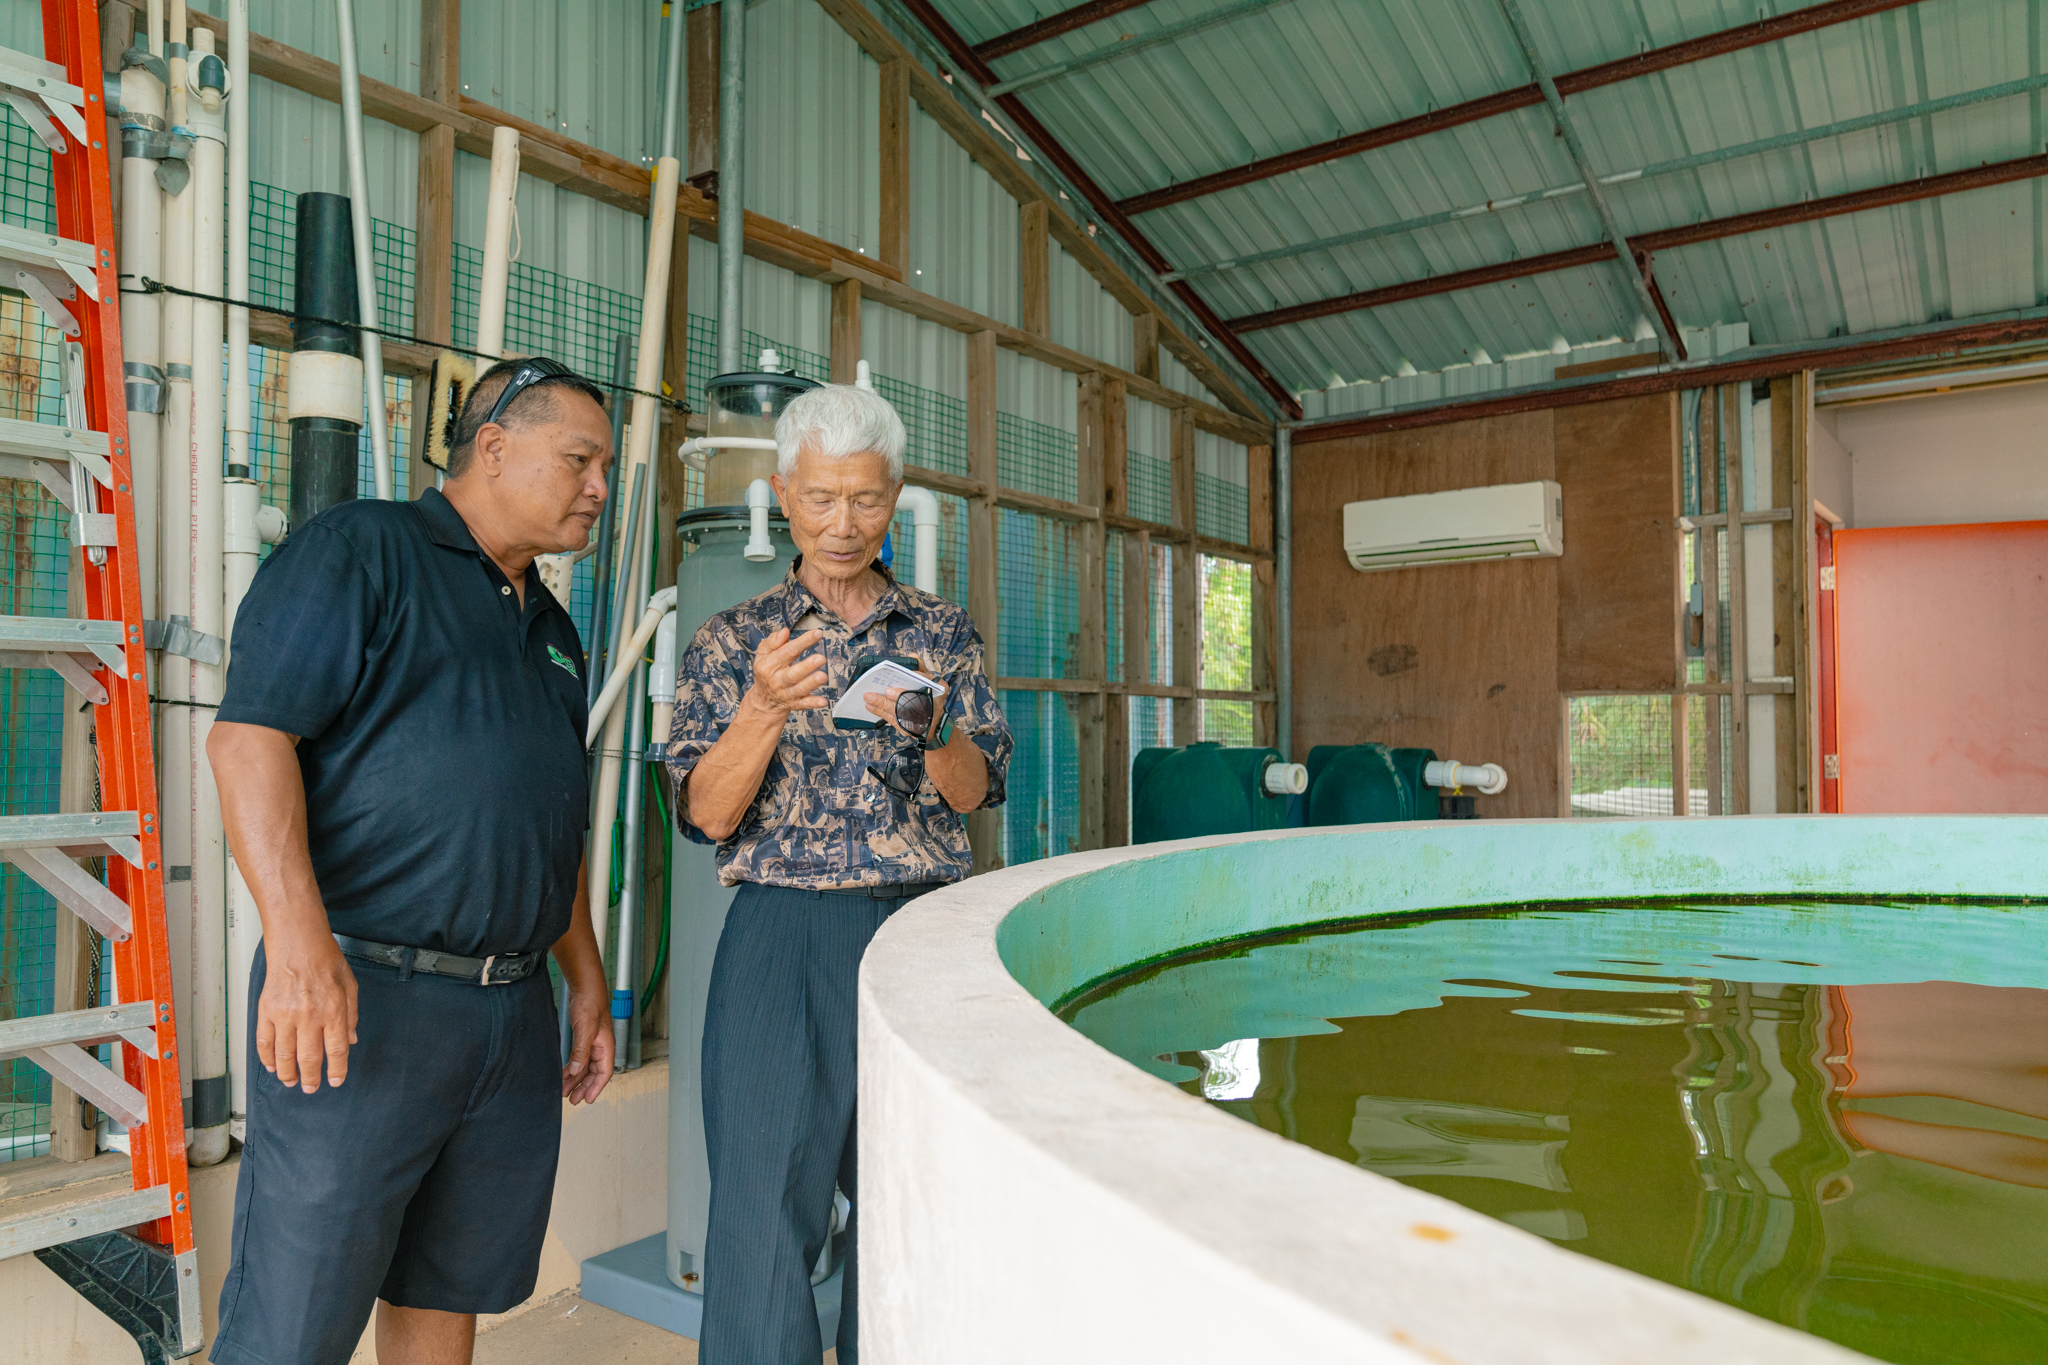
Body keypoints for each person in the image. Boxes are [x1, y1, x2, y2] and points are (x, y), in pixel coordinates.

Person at [206, 357, 618, 1365]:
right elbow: (249, 742)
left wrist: (587, 984)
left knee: (450, 1287)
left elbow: (545, 821)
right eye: (581, 460)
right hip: (361, 998)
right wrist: (299, 953)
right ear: (494, 445)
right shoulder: (363, 550)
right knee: (296, 1312)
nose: (601, 487)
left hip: (507, 1018)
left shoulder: (553, 630)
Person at [667, 382, 1012, 1363]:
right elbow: (706, 813)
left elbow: (973, 790)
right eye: (820, 499)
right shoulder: (732, 642)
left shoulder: (939, 635)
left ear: (893, 495)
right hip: (782, 935)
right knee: (761, 1207)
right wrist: (760, 710)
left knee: (910, 1200)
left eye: (864, 499)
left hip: (918, 936)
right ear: (782, 495)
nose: (842, 523)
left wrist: (933, 722)